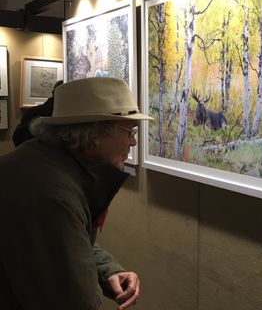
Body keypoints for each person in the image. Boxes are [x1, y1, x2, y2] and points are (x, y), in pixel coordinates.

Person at [0, 77, 152, 310]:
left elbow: (68, 241)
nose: (132, 142)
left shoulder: (39, 160)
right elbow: (73, 301)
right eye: (129, 131)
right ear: (93, 136)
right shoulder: (52, 195)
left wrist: (107, 270)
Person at [12, 79, 63, 147]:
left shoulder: (31, 112)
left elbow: (17, 137)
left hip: (30, 154)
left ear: (53, 92)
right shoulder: (70, 113)